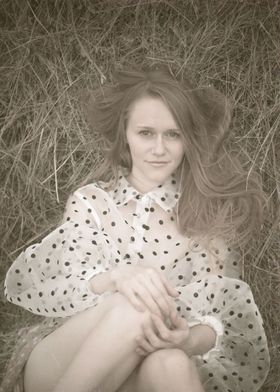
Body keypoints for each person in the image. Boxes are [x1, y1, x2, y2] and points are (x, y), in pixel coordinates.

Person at [1, 65, 270, 392]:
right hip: (63, 363)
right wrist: (117, 277)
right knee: (139, 301)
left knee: (171, 363)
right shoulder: (92, 204)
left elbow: (223, 320)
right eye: (146, 133)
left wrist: (187, 340)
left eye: (173, 134)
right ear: (125, 137)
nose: (159, 149)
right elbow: (57, 287)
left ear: (187, 140)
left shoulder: (205, 221)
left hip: (141, 373)